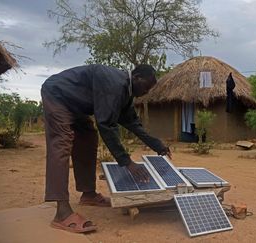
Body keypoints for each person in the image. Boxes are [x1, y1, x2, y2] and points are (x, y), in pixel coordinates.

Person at [41, 64, 171, 233]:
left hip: (76, 105)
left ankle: (88, 194)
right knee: (62, 142)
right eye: (146, 86)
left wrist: (158, 145)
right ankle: (62, 212)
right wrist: (127, 162)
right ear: (137, 76)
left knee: (88, 137)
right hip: (57, 94)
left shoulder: (126, 94)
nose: (147, 91)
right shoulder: (115, 84)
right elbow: (106, 124)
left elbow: (133, 123)